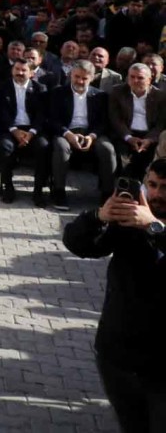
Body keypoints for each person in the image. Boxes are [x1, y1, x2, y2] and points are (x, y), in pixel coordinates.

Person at [63, 160, 166, 431]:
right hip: (118, 354)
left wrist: (154, 227)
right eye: (152, 185)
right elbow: (80, 245)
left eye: (165, 188)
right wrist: (99, 216)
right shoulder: (130, 220)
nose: (156, 194)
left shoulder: (146, 223)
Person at [47, 59, 114, 212]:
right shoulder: (58, 93)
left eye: (84, 78)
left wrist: (92, 136)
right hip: (66, 131)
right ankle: (59, 191)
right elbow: (52, 120)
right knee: (60, 146)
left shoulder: (100, 96)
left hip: (91, 133)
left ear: (92, 78)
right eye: (77, 76)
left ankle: (107, 193)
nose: (80, 81)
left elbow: (103, 122)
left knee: (107, 148)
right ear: (71, 75)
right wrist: (68, 134)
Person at [0, 58, 50, 205]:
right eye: (17, 69)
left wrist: (31, 133)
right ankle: (8, 187)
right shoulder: (2, 88)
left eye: (24, 70)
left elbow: (42, 115)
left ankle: (38, 190)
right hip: (10, 128)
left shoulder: (40, 89)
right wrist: (14, 130)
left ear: (31, 73)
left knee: (43, 146)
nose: (20, 72)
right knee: (5, 146)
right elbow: (1, 113)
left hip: (33, 130)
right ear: (12, 70)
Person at [111, 64, 166, 179]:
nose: (135, 81)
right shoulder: (117, 92)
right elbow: (116, 119)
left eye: (140, 78)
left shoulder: (160, 96)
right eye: (132, 77)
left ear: (149, 80)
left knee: (148, 161)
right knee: (121, 159)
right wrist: (129, 137)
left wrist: (149, 140)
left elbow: (161, 123)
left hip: (149, 135)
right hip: (125, 134)